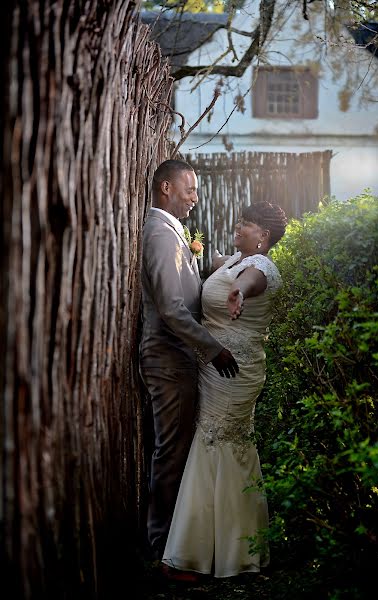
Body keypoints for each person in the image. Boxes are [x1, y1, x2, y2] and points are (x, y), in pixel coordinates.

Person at [162, 199, 288, 579]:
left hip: (234, 371)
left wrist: (239, 293)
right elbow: (220, 265)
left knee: (220, 443)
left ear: (263, 236)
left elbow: (248, 284)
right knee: (223, 445)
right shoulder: (235, 259)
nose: (238, 226)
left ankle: (201, 554)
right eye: (239, 220)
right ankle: (228, 548)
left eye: (246, 224)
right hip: (214, 366)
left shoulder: (260, 268)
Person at [140, 159, 239, 563]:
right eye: (190, 189)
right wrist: (212, 347)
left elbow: (190, 289)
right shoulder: (159, 233)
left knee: (176, 448)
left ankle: (172, 540)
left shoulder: (171, 231)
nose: (195, 198)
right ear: (166, 188)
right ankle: (161, 545)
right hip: (167, 358)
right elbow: (171, 307)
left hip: (178, 357)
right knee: (171, 451)